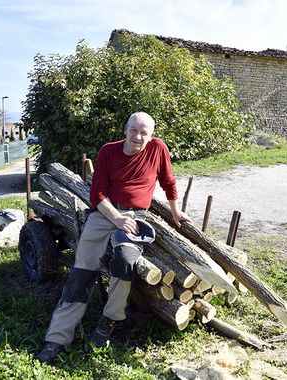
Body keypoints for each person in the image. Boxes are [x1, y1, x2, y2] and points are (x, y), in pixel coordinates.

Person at [36, 112, 190, 364]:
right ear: (125, 129)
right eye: (134, 130)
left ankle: (110, 320)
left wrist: (175, 212)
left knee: (124, 260)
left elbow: (168, 181)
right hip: (104, 213)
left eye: (144, 133)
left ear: (151, 137)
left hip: (136, 216)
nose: (138, 136)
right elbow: (97, 193)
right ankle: (57, 338)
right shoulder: (108, 151)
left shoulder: (158, 149)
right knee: (81, 273)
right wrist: (116, 218)